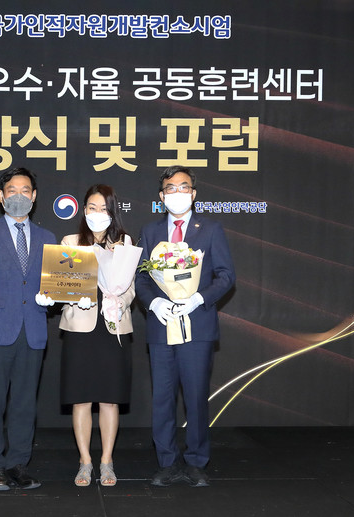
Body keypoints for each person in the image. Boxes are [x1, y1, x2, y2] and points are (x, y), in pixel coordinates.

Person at [135, 166, 236, 488]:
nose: (177, 193)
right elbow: (140, 278)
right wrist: (155, 303)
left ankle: (196, 461)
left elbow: (226, 276)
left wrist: (197, 299)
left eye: (183, 187)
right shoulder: (150, 231)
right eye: (170, 188)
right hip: (161, 326)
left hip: (198, 325)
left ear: (193, 193)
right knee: (162, 399)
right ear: (161, 196)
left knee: (195, 396)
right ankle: (166, 461)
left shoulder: (210, 229)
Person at [0, 167, 57, 491]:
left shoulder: (48, 239)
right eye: (12, 190)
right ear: (1, 197)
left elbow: (53, 286)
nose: (19, 196)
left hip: (32, 330)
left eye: (25, 190)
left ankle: (18, 463)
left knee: (24, 404)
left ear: (34, 196)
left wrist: (51, 299)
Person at [36, 184, 135, 488]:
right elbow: (60, 284)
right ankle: (84, 461)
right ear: (83, 210)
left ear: (112, 211)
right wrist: (63, 297)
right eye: (92, 207)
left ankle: (106, 461)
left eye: (104, 208)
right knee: (80, 399)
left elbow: (131, 288)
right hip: (80, 328)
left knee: (109, 399)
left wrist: (120, 302)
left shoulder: (124, 243)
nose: (97, 213)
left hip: (112, 328)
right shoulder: (70, 242)